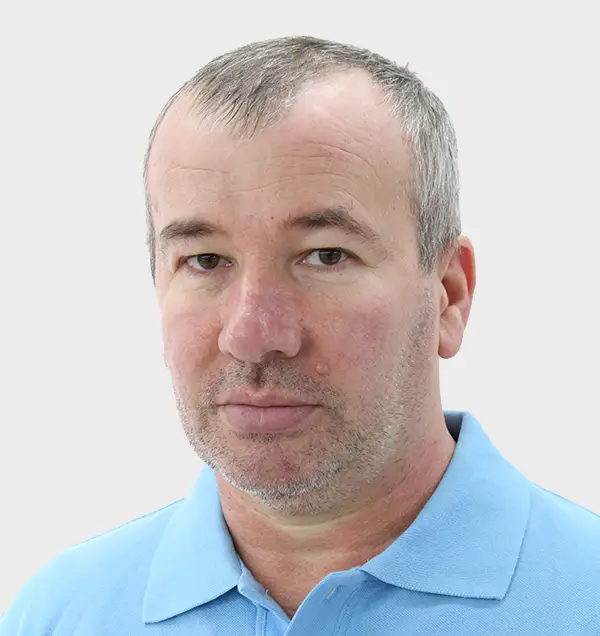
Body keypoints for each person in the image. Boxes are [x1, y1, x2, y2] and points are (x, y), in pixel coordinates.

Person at [2, 35, 599, 635]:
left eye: (326, 255)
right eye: (205, 260)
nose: (251, 335)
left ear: (449, 293)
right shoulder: (59, 616)